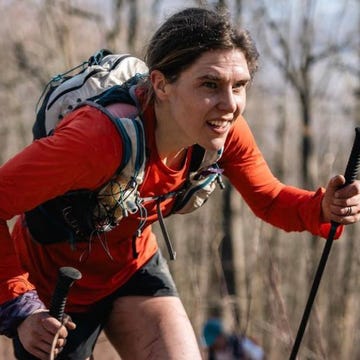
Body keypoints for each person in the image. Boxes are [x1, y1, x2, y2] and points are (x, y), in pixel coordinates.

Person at [0, 6, 359, 360]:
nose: (229, 104)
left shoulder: (222, 131)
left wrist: (321, 208)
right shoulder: (97, 142)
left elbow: (268, 197)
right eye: (209, 84)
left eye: (240, 86)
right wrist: (21, 307)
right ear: (161, 84)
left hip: (133, 268)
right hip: (54, 288)